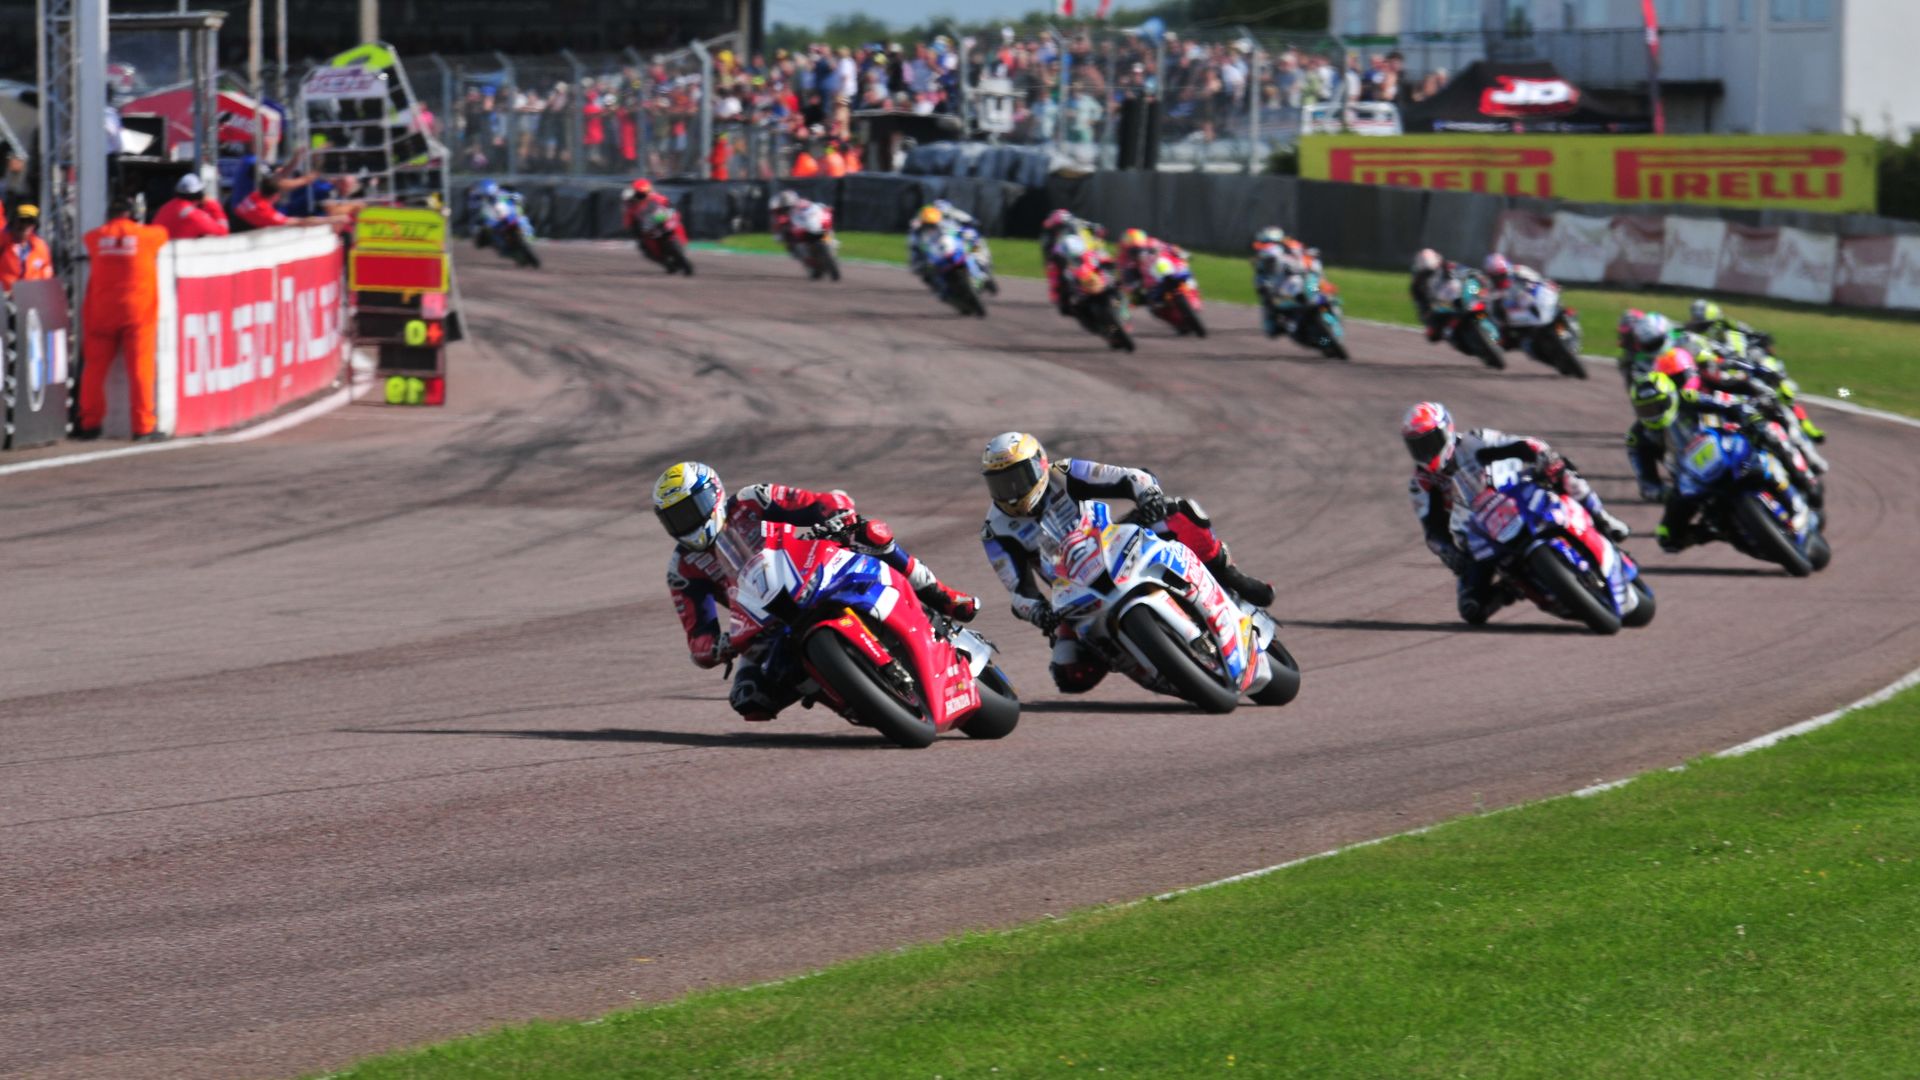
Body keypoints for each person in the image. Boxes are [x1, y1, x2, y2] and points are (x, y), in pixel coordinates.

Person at [653, 461, 979, 722]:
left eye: (691, 509)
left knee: (870, 535)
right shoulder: (683, 568)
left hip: (812, 570)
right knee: (750, 699)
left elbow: (821, 502)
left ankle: (940, 594)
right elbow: (697, 636)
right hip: (766, 620)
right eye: (675, 519)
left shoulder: (753, 500)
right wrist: (716, 647)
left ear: (714, 495)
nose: (688, 523)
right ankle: (850, 694)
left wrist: (838, 518)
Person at [978, 432, 1278, 693]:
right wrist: (1039, 613)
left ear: (1040, 466)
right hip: (1074, 591)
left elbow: (1131, 477)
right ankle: (1136, 655)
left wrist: (1149, 497)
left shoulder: (1066, 472)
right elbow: (1018, 590)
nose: (1012, 491)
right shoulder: (996, 530)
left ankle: (1228, 573)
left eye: (1018, 478)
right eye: (1001, 484)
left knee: (1178, 513)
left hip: (1115, 544)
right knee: (1069, 675)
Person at [1402, 402, 1631, 625]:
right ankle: (1510, 587)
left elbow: (1523, 445)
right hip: (1477, 533)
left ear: (1447, 430)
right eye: (1417, 446)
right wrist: (1449, 553)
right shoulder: (1421, 483)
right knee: (1472, 608)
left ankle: (1602, 518)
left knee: (1564, 473)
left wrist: (1545, 458)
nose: (1426, 450)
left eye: (1430, 441)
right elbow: (1432, 530)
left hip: (1517, 496)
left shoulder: (1476, 440)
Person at [1625, 370, 1807, 553]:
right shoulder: (1638, 438)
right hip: (1690, 478)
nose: (1653, 414)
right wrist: (1662, 493)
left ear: (1670, 397)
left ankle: (1798, 479)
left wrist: (1751, 419)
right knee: (1667, 538)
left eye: (1657, 406)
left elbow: (1730, 405)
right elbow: (1646, 481)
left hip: (1724, 448)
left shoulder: (1688, 398)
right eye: (1646, 410)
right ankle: (1717, 531)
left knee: (1769, 435)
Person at [78, 194, 170, 442]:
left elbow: (87, 239)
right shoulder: (147, 236)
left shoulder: (95, 238)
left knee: (94, 370)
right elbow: (163, 233)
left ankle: (89, 423)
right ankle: (142, 426)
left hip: (101, 312)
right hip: (136, 313)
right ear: (133, 214)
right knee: (140, 369)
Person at [154, 173, 229, 240]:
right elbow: (223, 232)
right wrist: (212, 204)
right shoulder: (194, 216)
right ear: (199, 194)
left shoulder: (165, 208)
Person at [0, 203, 54, 292]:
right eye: (22, 220)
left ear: (34, 226)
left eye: (30, 222)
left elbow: (46, 277)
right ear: (13, 222)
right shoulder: (2, 242)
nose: (24, 226)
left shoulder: (40, 247)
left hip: (30, 299)